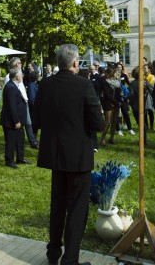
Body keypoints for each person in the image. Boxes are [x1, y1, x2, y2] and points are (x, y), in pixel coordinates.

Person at [34, 44, 104, 265]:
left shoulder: (45, 84)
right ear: (75, 63)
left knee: (58, 204)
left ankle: (53, 252)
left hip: (56, 154)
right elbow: (99, 123)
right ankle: (70, 259)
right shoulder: (83, 85)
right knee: (76, 209)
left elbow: (37, 118)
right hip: (78, 156)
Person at [0, 68, 30, 168]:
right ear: (17, 76)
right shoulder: (11, 87)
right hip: (11, 121)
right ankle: (9, 160)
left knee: (20, 139)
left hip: (18, 120)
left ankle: (20, 158)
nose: (22, 76)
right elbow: (11, 106)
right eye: (21, 74)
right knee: (11, 141)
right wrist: (16, 121)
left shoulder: (14, 86)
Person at [100, 67, 121, 146]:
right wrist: (116, 102)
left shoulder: (117, 82)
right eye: (114, 73)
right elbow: (107, 94)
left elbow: (119, 92)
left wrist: (119, 102)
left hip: (116, 103)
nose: (116, 75)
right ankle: (103, 138)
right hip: (108, 103)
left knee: (114, 122)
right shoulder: (104, 81)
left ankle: (112, 138)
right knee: (108, 122)